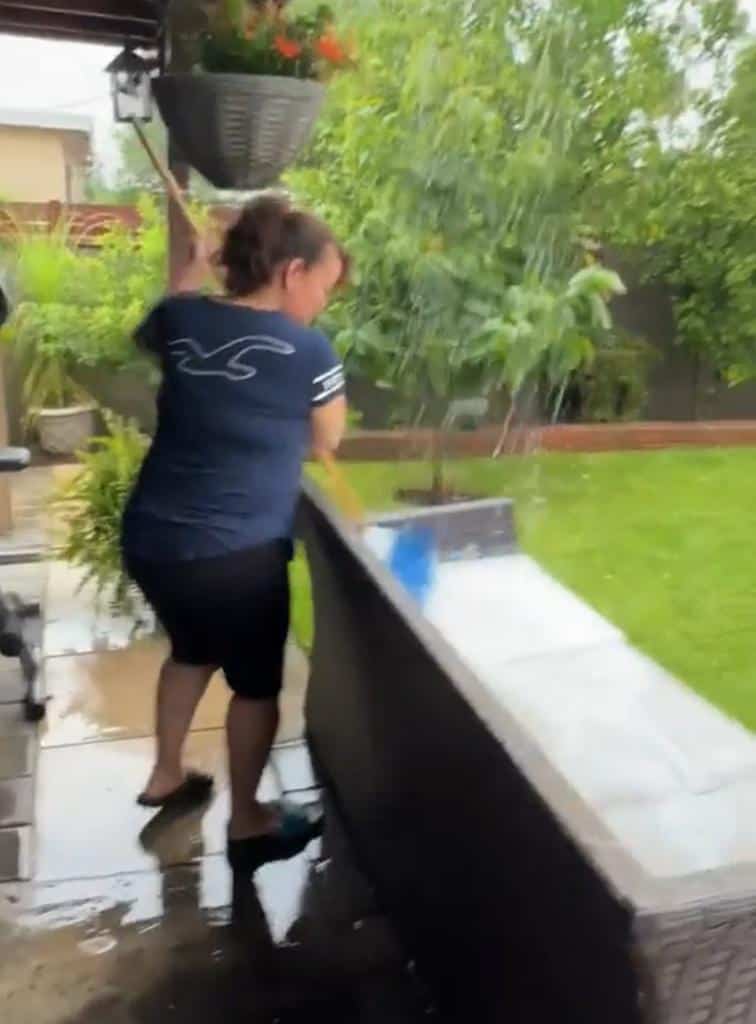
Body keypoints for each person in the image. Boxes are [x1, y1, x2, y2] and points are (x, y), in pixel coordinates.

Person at [121, 195, 348, 874]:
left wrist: (189, 269)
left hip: (154, 542)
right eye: (323, 287)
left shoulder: (179, 318)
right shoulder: (310, 350)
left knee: (190, 650)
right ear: (291, 273)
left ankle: (166, 773)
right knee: (255, 686)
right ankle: (249, 820)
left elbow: (159, 329)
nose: (323, 303)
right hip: (238, 556)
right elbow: (327, 439)